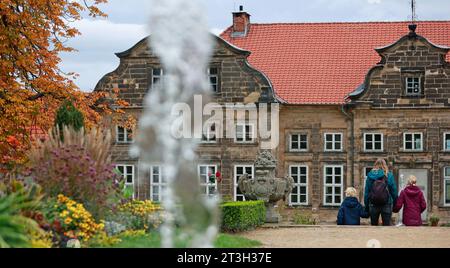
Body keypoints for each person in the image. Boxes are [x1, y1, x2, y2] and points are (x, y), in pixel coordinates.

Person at [364, 158, 398, 226]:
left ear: (375, 165)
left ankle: (374, 237)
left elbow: (367, 192)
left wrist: (366, 206)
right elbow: (393, 191)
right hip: (387, 203)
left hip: (373, 204)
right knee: (386, 226)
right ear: (385, 165)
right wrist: (395, 204)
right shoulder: (389, 175)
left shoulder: (370, 175)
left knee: (374, 226)